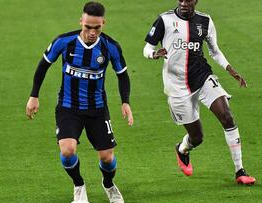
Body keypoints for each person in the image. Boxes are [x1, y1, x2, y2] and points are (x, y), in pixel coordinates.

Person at [26, 2, 133, 202]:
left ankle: (108, 184)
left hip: (97, 109)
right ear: (81, 22)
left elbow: (123, 75)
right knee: (67, 151)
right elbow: (43, 66)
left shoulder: (111, 47)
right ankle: (79, 185)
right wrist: (34, 95)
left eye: (97, 28)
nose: (92, 32)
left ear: (103, 23)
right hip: (68, 107)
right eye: (88, 27)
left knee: (107, 158)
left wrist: (125, 102)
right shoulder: (64, 42)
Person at [143, 0, 255, 185]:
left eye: (188, 0)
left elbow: (215, 51)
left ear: (196, 1)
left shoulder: (205, 21)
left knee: (227, 117)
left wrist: (230, 70)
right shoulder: (165, 20)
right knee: (197, 137)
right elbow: (147, 47)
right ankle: (182, 149)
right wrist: (153, 54)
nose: (184, 3)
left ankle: (240, 171)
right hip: (176, 85)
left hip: (202, 76)